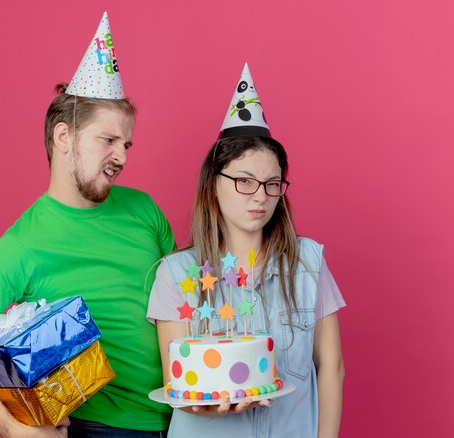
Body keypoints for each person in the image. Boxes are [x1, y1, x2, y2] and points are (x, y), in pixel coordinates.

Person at [0, 12, 175, 438]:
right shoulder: (23, 244)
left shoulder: (144, 210)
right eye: (108, 140)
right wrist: (12, 428)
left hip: (184, 416)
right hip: (101, 428)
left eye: (127, 143)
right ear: (64, 138)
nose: (123, 157)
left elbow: (183, 304)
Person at [147, 64, 345, 438]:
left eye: (272, 184)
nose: (260, 196)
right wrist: (208, 407)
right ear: (213, 185)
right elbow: (181, 388)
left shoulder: (308, 262)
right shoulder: (176, 274)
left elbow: (331, 367)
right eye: (244, 181)